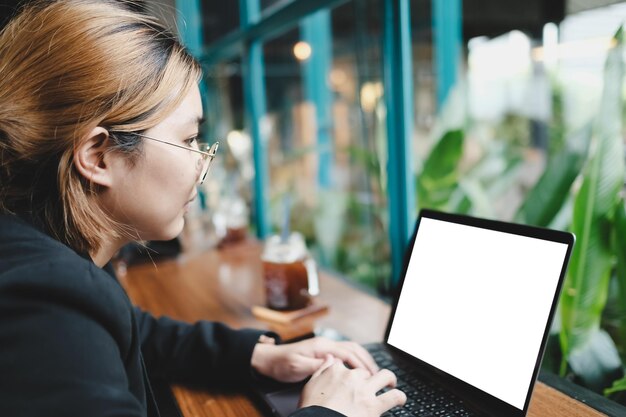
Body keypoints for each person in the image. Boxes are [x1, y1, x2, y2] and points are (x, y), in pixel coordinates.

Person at [0, 1, 407, 416]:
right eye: (188, 139)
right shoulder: (43, 300)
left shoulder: (54, 259)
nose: (201, 160)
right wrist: (329, 412)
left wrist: (255, 356)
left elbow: (130, 331)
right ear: (99, 156)